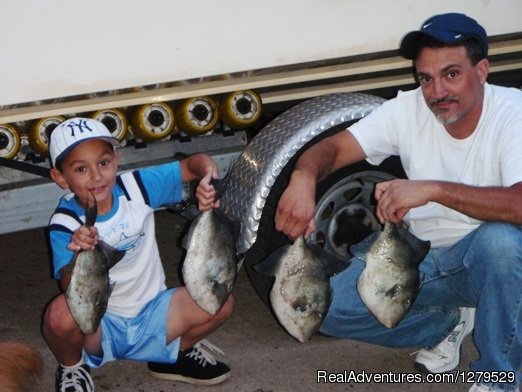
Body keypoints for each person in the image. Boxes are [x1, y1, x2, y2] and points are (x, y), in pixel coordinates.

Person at [274, 13, 521, 392]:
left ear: (482, 70)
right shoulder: (407, 110)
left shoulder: (512, 113)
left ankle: (501, 377)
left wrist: (433, 189)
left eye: (451, 74)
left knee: (501, 243)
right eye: (426, 78)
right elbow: (333, 148)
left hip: (493, 263)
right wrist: (303, 179)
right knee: (328, 308)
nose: (437, 92)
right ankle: (447, 322)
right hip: (421, 260)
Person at [42, 117, 234, 392]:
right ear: (60, 178)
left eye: (104, 163)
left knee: (222, 300)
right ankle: (73, 368)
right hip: (99, 323)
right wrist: (78, 254)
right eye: (81, 169)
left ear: (116, 160)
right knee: (58, 315)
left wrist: (207, 177)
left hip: (154, 313)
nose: (96, 176)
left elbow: (195, 163)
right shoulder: (65, 222)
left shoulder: (137, 187)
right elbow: (69, 289)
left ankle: (172, 355)